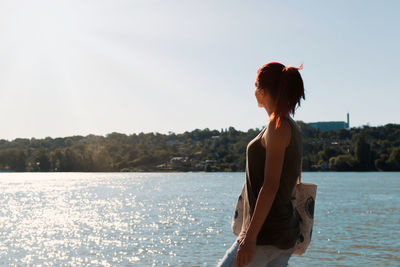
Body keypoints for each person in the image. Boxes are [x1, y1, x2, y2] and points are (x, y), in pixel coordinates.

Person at [217, 62, 305, 267]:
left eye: (255, 86)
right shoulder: (289, 126)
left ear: (263, 91)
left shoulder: (278, 126)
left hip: (267, 235)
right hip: (281, 233)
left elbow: (271, 185)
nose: (254, 91)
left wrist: (249, 239)